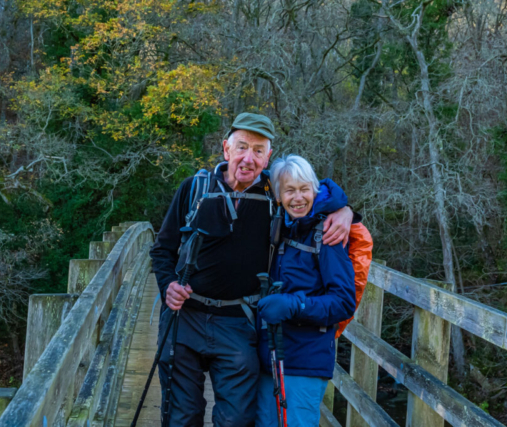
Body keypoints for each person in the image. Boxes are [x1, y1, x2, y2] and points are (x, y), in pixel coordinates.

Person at [149, 113, 355, 426]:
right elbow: (162, 249)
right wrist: (167, 286)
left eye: (258, 150)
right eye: (242, 147)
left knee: (236, 420)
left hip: (239, 322)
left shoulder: (275, 195)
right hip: (184, 319)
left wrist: (346, 211)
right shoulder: (195, 189)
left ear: (268, 157)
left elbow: (314, 196)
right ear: (226, 149)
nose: (249, 157)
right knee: (182, 416)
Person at [256, 154, 372, 426]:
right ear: (277, 195)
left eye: (304, 189)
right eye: (289, 190)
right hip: (269, 358)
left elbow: (343, 302)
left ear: (314, 190)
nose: (298, 198)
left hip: (305, 362)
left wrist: (295, 304)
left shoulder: (328, 234)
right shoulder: (278, 227)